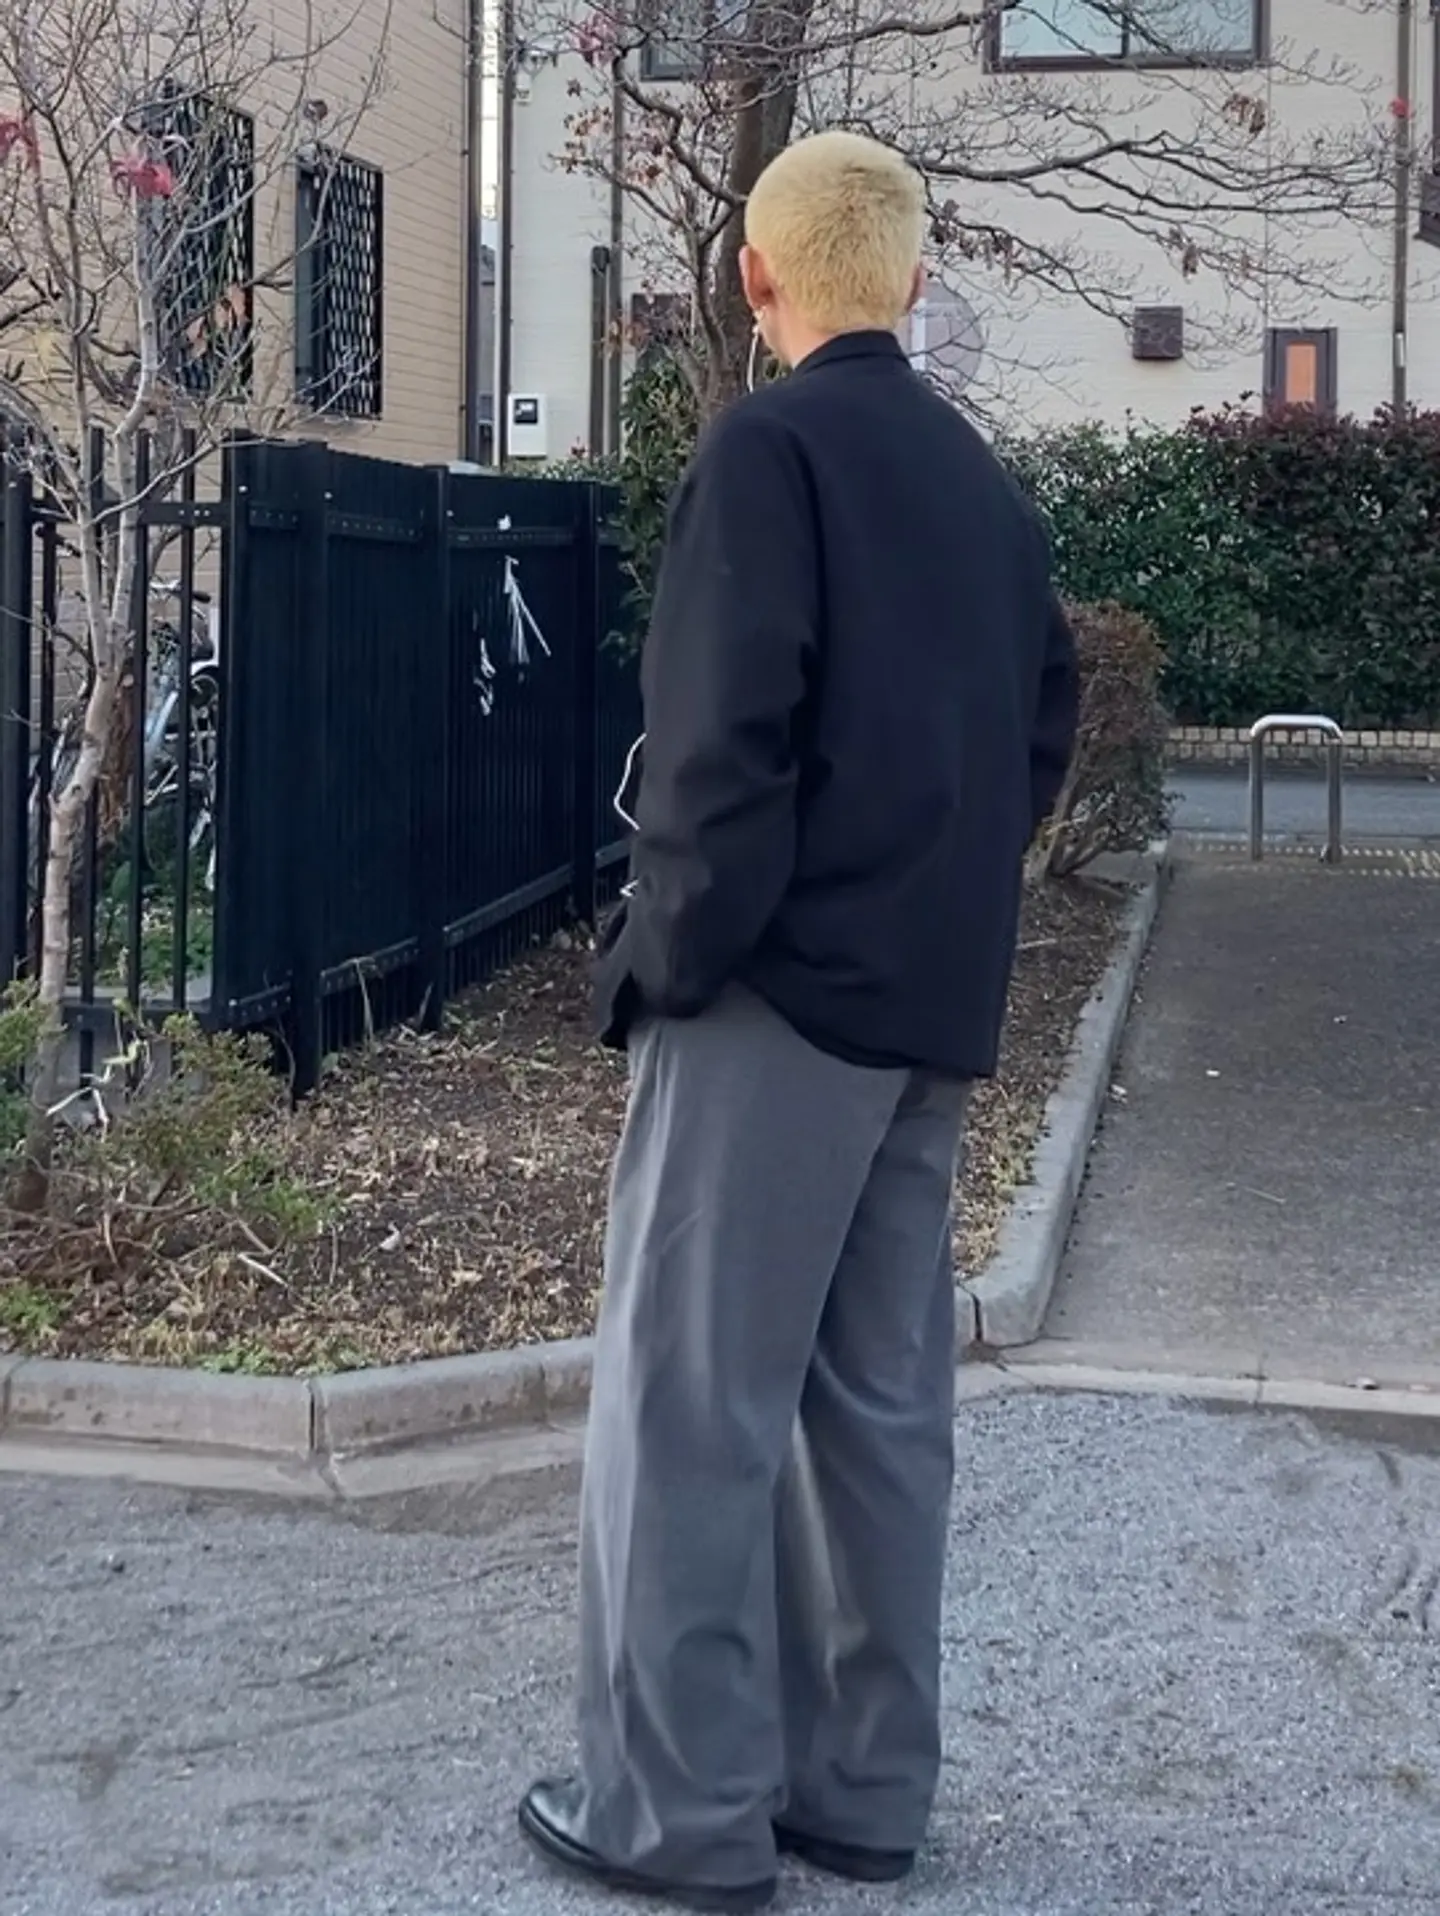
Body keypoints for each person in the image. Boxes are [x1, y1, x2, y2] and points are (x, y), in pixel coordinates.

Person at [519, 130, 1078, 1913]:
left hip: (771, 1005)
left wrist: (660, 960)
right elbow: (1041, 737)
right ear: (913, 279)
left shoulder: (763, 455)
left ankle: (676, 1815)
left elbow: (714, 755)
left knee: (691, 1408)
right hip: (928, 1015)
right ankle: (863, 1794)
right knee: (883, 1406)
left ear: (755, 278)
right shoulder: (987, 492)